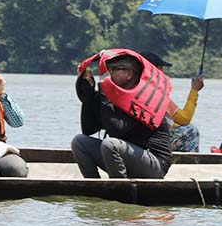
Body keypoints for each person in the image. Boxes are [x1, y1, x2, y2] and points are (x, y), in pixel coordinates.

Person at [72, 49, 177, 179]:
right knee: (79, 141)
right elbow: (88, 129)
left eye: (115, 69)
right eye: (109, 69)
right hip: (127, 156)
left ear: (129, 74)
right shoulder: (115, 95)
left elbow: (117, 130)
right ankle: (94, 184)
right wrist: (89, 93)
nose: (110, 73)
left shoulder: (141, 99)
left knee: (110, 144)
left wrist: (104, 90)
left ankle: (119, 187)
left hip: (154, 163)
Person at [141, 51, 204, 153]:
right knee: (191, 130)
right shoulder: (154, 94)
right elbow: (185, 119)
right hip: (153, 141)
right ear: (154, 70)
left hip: (140, 138)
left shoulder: (136, 88)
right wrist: (194, 91)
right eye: (161, 68)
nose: (163, 72)